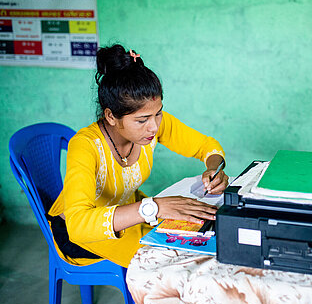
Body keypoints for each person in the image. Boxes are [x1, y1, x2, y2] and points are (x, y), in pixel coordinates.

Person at [48, 44, 228, 267]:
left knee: (200, 232)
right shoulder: (85, 145)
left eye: (158, 114)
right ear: (111, 116)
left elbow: (206, 146)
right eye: (142, 120)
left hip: (133, 213)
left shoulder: (151, 122)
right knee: (172, 260)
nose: (153, 127)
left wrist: (214, 169)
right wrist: (154, 207)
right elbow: (79, 226)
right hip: (83, 233)